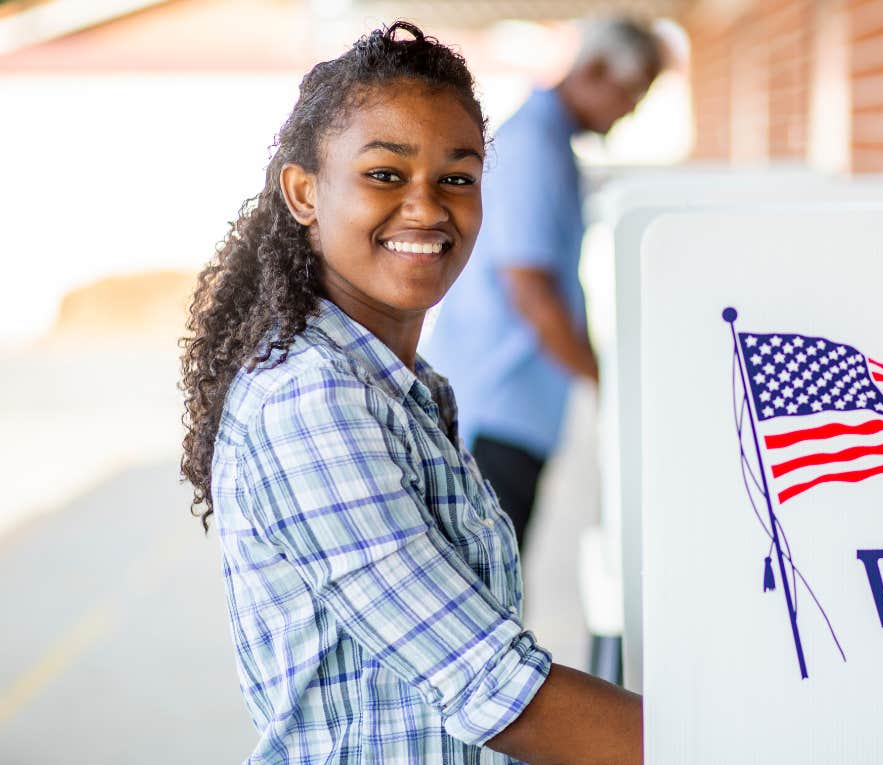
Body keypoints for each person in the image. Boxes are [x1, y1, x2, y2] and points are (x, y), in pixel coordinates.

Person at [179, 22, 640, 764]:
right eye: (386, 175)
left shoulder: (405, 388)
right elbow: (493, 685)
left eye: (457, 177)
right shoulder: (311, 400)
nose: (427, 207)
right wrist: (716, 736)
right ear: (304, 191)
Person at [420, 18, 665, 551]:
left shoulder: (551, 137)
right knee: (487, 588)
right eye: (634, 92)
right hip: (494, 411)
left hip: (512, 409)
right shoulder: (535, 143)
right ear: (596, 71)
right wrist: (607, 381)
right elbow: (530, 289)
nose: (633, 110)